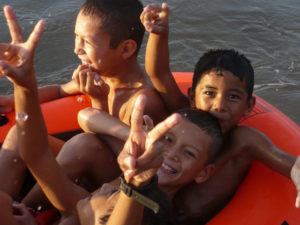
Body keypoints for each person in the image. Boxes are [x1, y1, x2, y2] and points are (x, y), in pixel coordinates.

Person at [0, 15, 223, 224]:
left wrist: (134, 185)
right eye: (167, 140)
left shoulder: (102, 208)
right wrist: (24, 86)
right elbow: (37, 153)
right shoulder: (83, 205)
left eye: (189, 152)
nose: (170, 153)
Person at [140, 3, 299, 224]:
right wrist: (159, 33)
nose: (219, 105)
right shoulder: (183, 114)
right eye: (210, 93)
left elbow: (291, 164)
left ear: (248, 105)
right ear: (193, 95)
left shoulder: (244, 141)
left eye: (233, 97)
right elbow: (158, 74)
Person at [0, 0, 167, 202]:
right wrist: (12, 100)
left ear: (125, 49)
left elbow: (114, 153)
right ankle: (4, 202)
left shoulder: (143, 101)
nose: (76, 49)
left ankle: (27, 207)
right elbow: (60, 90)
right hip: (89, 156)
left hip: (115, 180)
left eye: (86, 42)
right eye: (76, 38)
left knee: (84, 144)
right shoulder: (102, 75)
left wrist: (98, 100)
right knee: (20, 134)